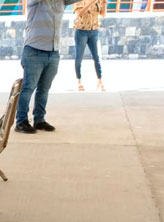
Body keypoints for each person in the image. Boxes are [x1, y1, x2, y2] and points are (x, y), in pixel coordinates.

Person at [14, 0, 80, 134]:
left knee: (44, 89)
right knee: (28, 87)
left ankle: (39, 120)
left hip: (53, 52)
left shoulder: (61, 1)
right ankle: (21, 122)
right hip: (34, 50)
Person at [74, 0, 105, 92]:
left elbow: (103, 14)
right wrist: (91, 2)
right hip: (81, 30)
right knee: (79, 57)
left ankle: (100, 80)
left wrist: (104, 4)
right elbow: (79, 13)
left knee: (97, 57)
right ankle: (79, 81)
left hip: (94, 30)